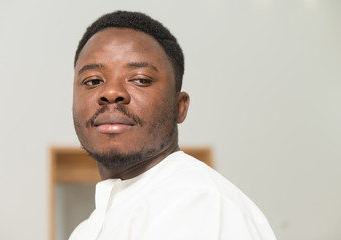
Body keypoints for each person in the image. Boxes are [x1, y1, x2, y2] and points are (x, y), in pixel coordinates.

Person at [70, 10, 276, 240]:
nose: (111, 92)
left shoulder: (202, 206)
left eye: (140, 79)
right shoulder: (85, 231)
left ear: (179, 107)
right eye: (93, 81)